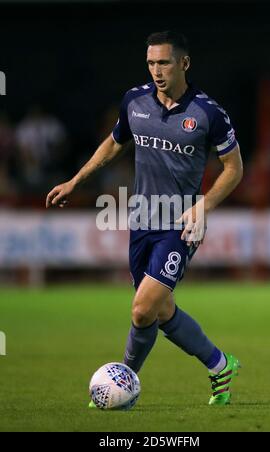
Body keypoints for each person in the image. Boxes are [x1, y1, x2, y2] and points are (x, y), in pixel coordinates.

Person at [46, 31, 243, 406]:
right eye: (151, 62)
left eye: (164, 62)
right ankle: (220, 365)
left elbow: (234, 169)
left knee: (142, 307)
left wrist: (204, 206)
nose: (156, 70)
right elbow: (114, 143)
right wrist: (75, 180)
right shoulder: (134, 101)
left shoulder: (207, 113)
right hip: (142, 222)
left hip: (182, 225)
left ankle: (121, 383)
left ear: (184, 63)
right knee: (158, 311)